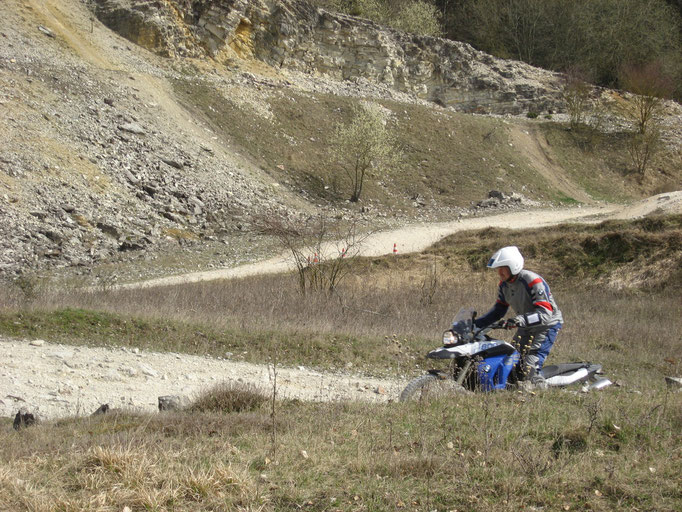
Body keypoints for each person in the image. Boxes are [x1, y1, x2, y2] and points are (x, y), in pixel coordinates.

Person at [473, 246, 563, 386]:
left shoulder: (532, 281)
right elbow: (498, 311)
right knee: (512, 362)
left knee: (529, 365)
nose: (499, 272)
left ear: (513, 266)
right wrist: (475, 324)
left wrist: (517, 320)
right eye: (498, 268)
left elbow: (545, 314)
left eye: (503, 268)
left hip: (546, 326)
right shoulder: (504, 285)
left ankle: (540, 390)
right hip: (525, 326)